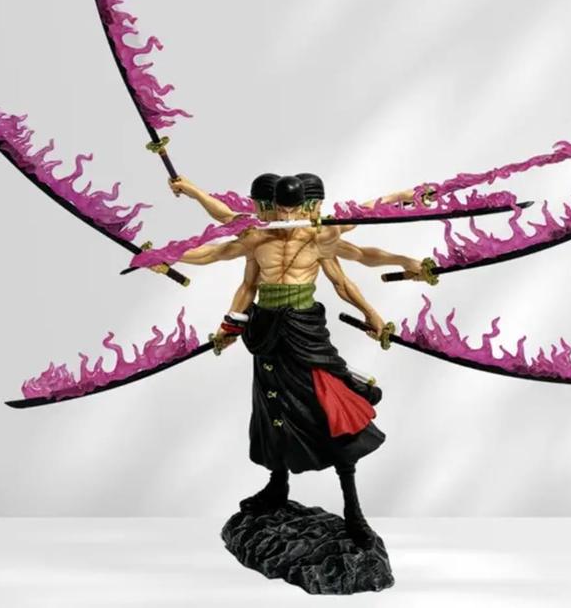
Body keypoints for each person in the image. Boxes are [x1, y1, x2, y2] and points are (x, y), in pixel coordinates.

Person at [163, 172, 425, 546]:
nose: (285, 217)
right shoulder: (256, 236)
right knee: (272, 406)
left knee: (332, 409)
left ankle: (353, 510)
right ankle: (278, 484)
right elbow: (223, 258)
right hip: (266, 330)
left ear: (304, 207)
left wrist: (375, 312)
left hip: (305, 330)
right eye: (278, 210)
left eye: (293, 210)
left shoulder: (319, 235)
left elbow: (361, 239)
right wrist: (166, 252)